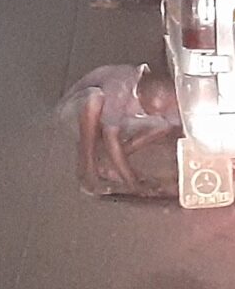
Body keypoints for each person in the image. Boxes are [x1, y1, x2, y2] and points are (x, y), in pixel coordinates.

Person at [59, 61, 180, 197]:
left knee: (164, 124)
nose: (156, 113)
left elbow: (176, 123)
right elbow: (110, 137)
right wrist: (132, 184)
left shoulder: (166, 94)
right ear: (138, 94)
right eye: (153, 109)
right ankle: (88, 170)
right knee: (94, 98)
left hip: (114, 117)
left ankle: (109, 162)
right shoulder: (119, 85)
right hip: (76, 115)